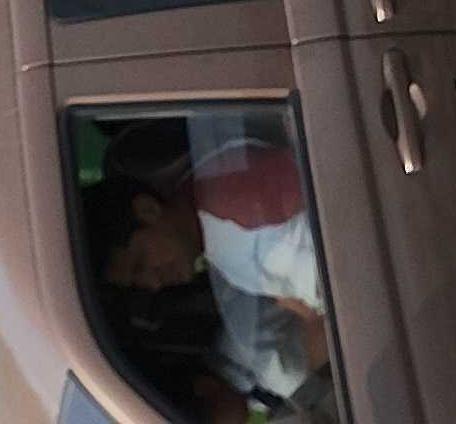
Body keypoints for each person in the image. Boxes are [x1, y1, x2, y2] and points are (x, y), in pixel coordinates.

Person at [93, 127, 334, 421]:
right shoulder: (222, 248)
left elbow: (341, 277)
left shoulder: (237, 211)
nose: (153, 283)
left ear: (147, 210)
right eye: (139, 283)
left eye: (140, 264)